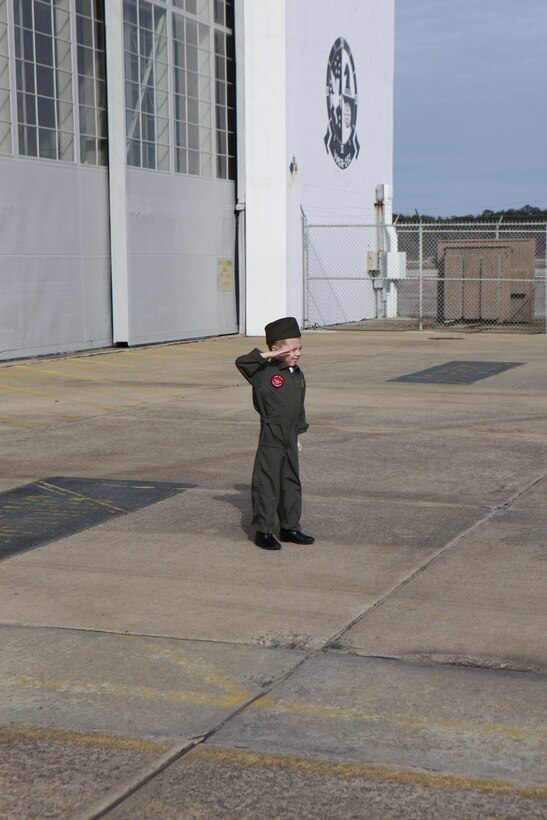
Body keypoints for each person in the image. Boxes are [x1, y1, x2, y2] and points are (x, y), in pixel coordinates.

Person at [235, 317, 315, 550]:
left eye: (300, 348)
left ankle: (290, 527)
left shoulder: (297, 374)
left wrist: (298, 435)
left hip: (290, 434)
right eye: (292, 349)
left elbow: (299, 407)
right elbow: (242, 362)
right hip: (272, 432)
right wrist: (270, 356)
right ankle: (264, 530)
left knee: (291, 481)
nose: (297, 353)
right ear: (274, 349)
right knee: (267, 481)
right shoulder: (262, 372)